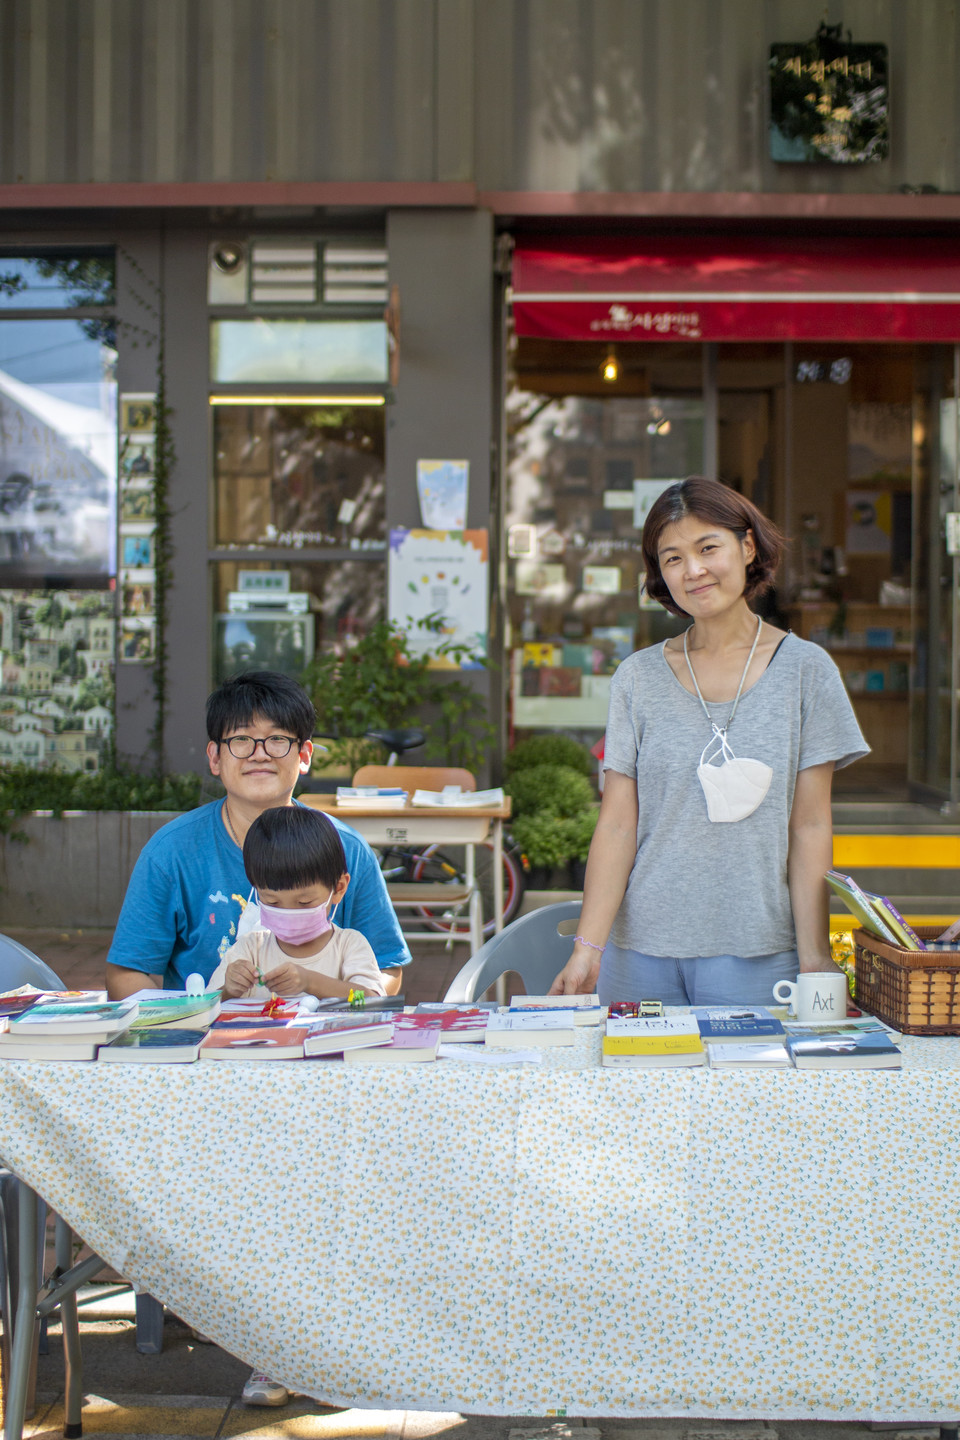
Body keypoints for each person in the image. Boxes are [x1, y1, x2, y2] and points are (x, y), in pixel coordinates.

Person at [549, 477, 869, 1007]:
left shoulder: (807, 671)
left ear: (747, 547)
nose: (692, 570)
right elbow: (618, 822)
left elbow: (810, 822)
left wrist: (814, 956)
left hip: (758, 950)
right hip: (638, 953)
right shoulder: (637, 678)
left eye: (707, 548)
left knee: (748, 1093)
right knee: (633, 1092)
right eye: (671, 558)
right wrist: (589, 948)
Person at [106, 671, 410, 999]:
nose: (259, 753)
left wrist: (337, 1003)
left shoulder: (346, 848)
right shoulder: (171, 851)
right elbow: (127, 973)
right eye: (241, 739)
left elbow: (386, 970)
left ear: (304, 755)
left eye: (277, 739)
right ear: (214, 757)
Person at [209, 805, 386, 1001]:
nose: (288, 912)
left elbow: (371, 1001)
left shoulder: (349, 946)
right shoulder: (250, 949)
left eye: (304, 902)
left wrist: (310, 982)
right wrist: (229, 989)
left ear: (338, 888)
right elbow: (205, 1007)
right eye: (272, 902)